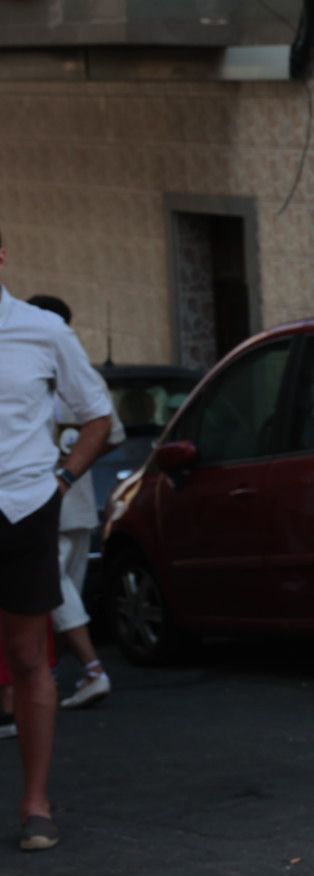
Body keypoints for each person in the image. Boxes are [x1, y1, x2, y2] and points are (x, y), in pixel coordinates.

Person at [0, 231, 114, 851]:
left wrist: (62, 480)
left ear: (1, 258)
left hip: (23, 507)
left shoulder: (40, 330)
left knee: (27, 657)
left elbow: (97, 412)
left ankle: (35, 803)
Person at [27, 295, 126, 710]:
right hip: (77, 499)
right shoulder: (82, 374)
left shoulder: (32, 370)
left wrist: (60, 470)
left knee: (53, 591)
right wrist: (76, 466)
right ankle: (50, 673)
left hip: (43, 499)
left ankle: (89, 668)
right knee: (62, 588)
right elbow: (112, 434)